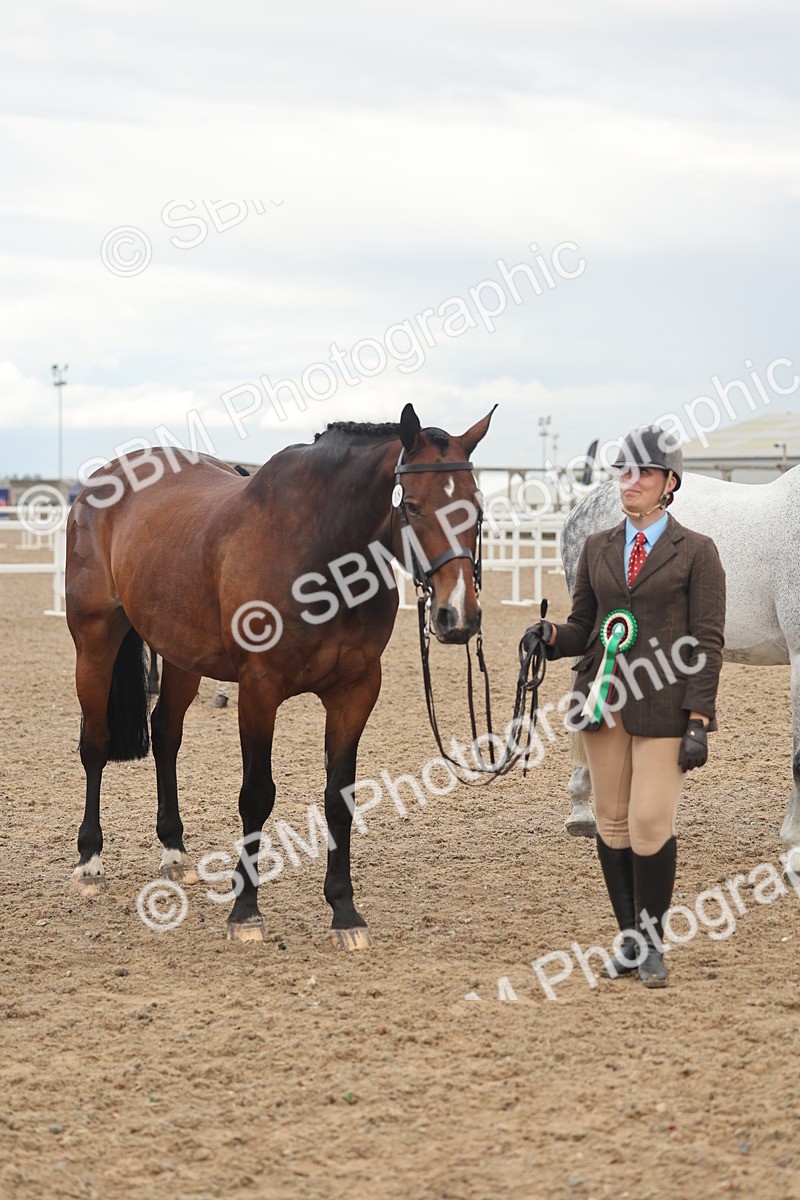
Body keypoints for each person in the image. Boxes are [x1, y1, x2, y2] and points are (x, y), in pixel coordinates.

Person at [525, 425, 726, 987]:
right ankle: (632, 944)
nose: (628, 482)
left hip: (666, 706)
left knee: (647, 819)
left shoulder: (699, 553)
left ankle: (655, 944)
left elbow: (708, 642)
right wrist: (551, 636)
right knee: (611, 823)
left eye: (640, 473)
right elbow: (586, 626)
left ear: (669, 484)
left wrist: (699, 720)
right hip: (602, 701)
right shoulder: (598, 548)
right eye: (623, 471)